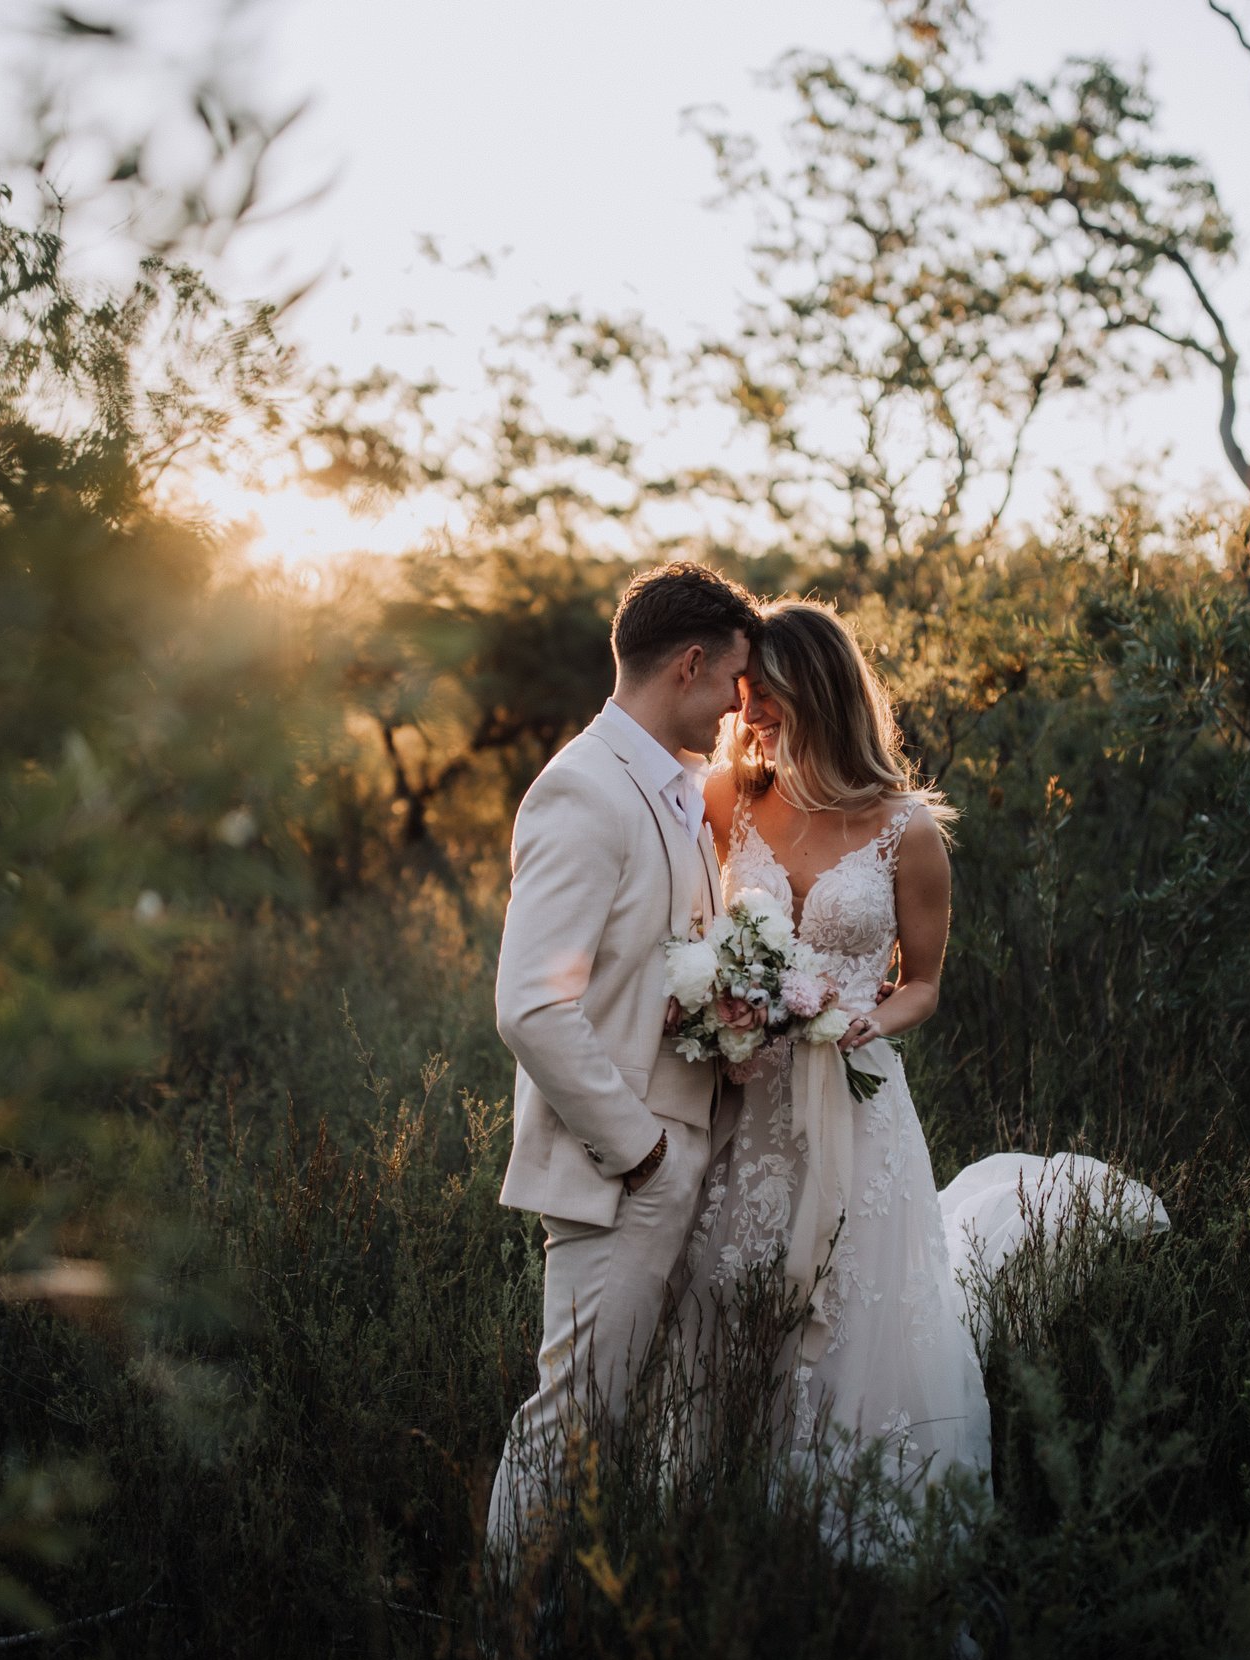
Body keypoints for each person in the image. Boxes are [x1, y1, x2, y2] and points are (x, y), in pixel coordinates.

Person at [678, 599, 1169, 1514]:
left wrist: (869, 1019)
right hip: (744, 1100)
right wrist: (718, 1000)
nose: (749, 714)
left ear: (819, 690)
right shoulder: (725, 799)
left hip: (856, 1099)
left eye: (767, 694)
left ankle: (859, 1516)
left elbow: (923, 982)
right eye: (743, 695)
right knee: (732, 1287)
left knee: (857, 1304)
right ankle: (738, 1512)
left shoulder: (909, 830)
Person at [485, 559, 762, 1552]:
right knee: (570, 1423)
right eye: (734, 681)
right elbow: (532, 1006)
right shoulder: (582, 791)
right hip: (622, 1170)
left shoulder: (678, 787)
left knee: (662, 1425)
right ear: (688, 664)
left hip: (685, 1147)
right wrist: (640, 1152)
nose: (740, 704)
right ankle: (512, 1637)